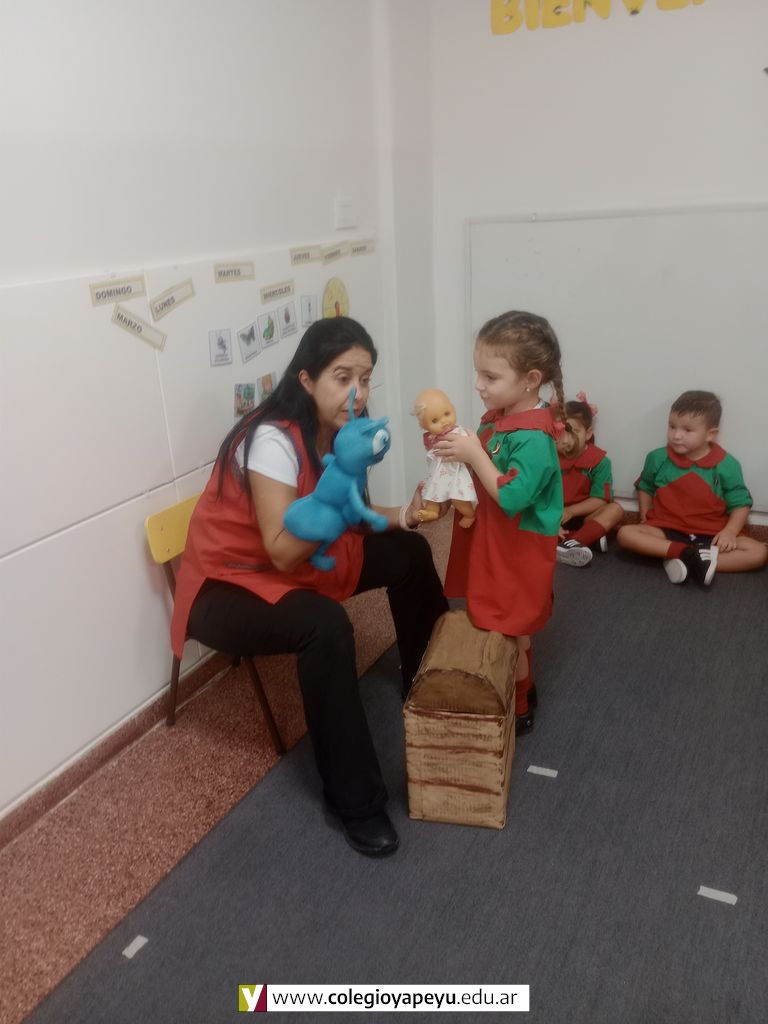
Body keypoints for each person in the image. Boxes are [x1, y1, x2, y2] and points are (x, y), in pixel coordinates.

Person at [170, 317, 449, 857]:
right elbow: (280, 548)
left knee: (410, 552)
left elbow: (350, 513)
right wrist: (338, 496)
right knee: (325, 627)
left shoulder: (343, 430)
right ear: (306, 379)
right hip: (228, 583)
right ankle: (356, 802)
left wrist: (404, 515)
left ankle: (429, 684)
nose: (357, 393)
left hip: (302, 562)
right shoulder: (271, 439)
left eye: (364, 378)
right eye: (342, 378)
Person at [436, 311, 565, 735]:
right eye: (478, 373)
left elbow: (511, 496)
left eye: (490, 376)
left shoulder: (534, 439)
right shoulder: (499, 417)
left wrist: (474, 454)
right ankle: (521, 686)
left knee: (510, 626)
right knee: (502, 619)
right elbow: (485, 466)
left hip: (517, 549)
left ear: (530, 379)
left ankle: (521, 703)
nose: (478, 385)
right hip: (496, 539)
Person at [616, 390, 767, 585]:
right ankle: (688, 556)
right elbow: (646, 487)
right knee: (625, 534)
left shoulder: (728, 465)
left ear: (710, 434)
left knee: (758, 553)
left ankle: (685, 559)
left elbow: (740, 504)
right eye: (672, 426)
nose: (676, 435)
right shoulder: (657, 458)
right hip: (666, 530)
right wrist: (645, 517)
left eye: (687, 430)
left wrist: (730, 531)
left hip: (712, 535)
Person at [556, 394, 624, 567]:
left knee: (615, 509)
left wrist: (570, 511)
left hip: (584, 515)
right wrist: (552, 520)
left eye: (573, 431)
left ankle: (573, 542)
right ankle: (585, 539)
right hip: (553, 514)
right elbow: (539, 496)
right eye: (560, 431)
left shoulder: (600, 461)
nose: (565, 439)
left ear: (587, 434)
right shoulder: (548, 457)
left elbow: (600, 499)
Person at [412, 387, 477, 528]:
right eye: (435, 420)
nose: (444, 421)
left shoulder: (459, 432)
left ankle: (469, 514)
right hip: (438, 474)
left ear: (453, 409)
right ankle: (432, 511)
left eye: (447, 413)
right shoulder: (432, 437)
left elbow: (469, 448)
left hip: (455, 472)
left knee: (458, 498)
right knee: (432, 494)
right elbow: (431, 450)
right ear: (424, 425)